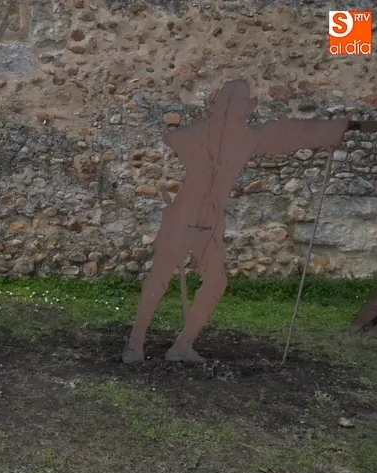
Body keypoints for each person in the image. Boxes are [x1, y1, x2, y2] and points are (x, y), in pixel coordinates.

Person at [122, 79, 351, 363]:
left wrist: (331, 131)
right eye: (230, 106)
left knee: (215, 282)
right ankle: (135, 344)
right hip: (181, 217)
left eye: (239, 107)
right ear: (222, 108)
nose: (235, 112)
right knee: (159, 278)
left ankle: (182, 346)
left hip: (211, 220)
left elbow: (285, 134)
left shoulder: (246, 140)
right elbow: (173, 140)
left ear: (246, 109)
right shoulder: (192, 135)